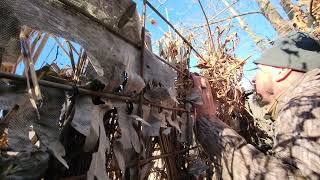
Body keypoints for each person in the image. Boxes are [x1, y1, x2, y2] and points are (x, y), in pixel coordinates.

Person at [195, 32, 320, 179]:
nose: (254, 79)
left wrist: (208, 122)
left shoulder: (305, 106)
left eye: (259, 70)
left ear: (282, 70)